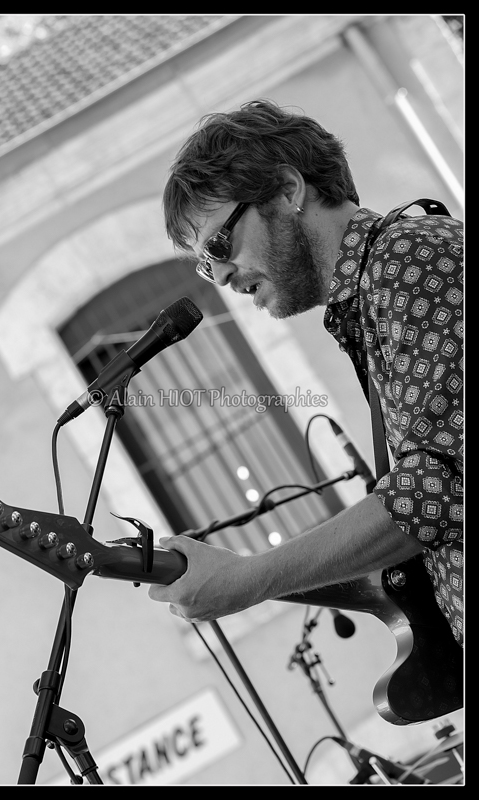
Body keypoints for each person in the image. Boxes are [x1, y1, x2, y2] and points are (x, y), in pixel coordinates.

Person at [148, 99, 463, 647]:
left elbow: (436, 492)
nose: (220, 277)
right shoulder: (377, 287)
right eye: (205, 265)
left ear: (288, 190)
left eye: (219, 244)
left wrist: (249, 578)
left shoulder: (410, 260)